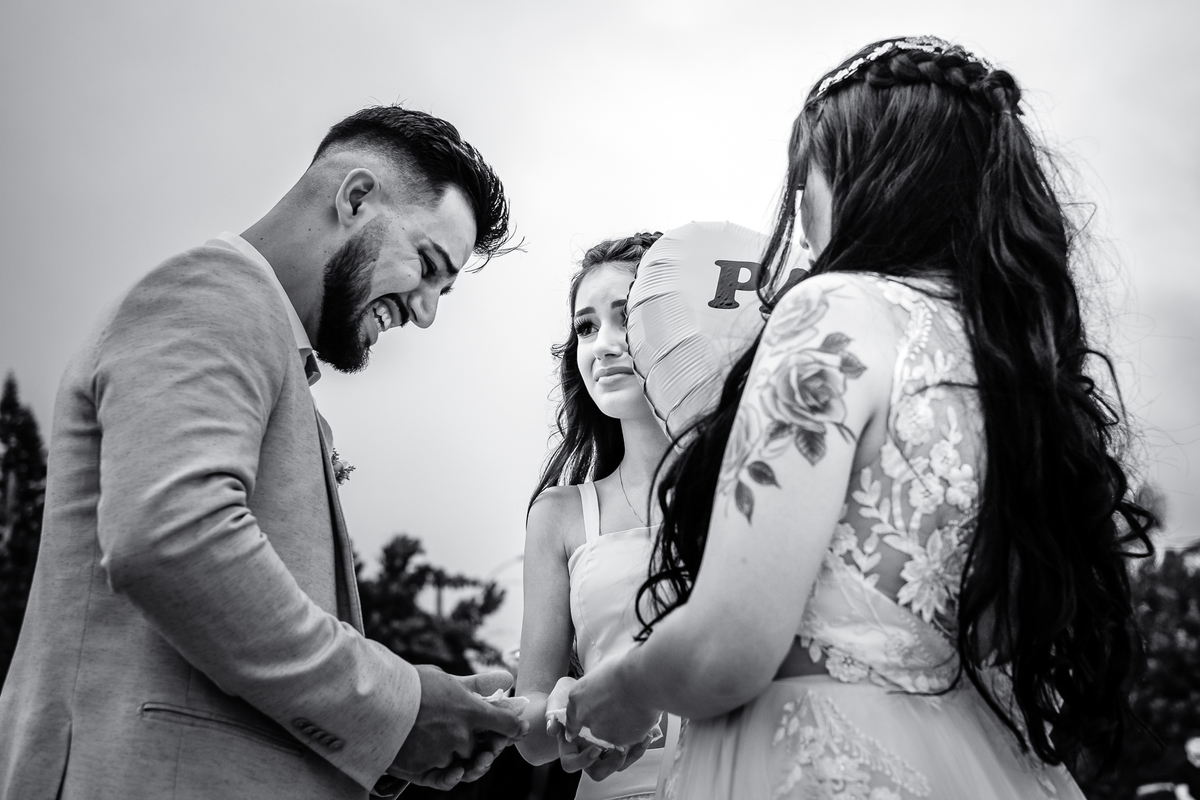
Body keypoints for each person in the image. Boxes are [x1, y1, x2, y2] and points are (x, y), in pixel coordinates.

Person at [565, 36, 1156, 799]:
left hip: (820, 758)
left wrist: (620, 690)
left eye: (801, 181)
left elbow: (727, 646)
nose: (800, 220)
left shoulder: (835, 311)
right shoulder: (1012, 366)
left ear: (856, 174)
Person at [0, 105, 526, 800]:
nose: (426, 312)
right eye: (428, 267)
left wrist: (410, 719)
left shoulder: (268, 345)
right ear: (356, 197)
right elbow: (176, 540)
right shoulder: (212, 292)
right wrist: (397, 708)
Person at [516, 233, 676, 800]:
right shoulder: (558, 515)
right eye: (586, 327)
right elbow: (529, 730)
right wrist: (565, 711)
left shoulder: (752, 485)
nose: (603, 345)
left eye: (626, 317)